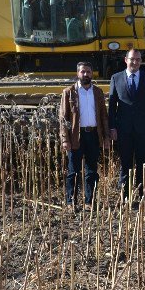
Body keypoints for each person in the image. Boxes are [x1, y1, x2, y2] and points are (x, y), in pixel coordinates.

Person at [59, 62, 110, 211]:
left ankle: (90, 202)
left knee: (91, 171)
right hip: (76, 136)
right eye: (83, 72)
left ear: (92, 73)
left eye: (88, 72)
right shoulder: (69, 92)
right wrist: (65, 139)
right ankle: (71, 202)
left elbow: (103, 117)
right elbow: (63, 118)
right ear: (77, 73)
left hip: (94, 135)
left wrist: (106, 137)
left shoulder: (98, 92)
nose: (86, 74)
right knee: (73, 172)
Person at [108, 49, 145, 201]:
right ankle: (125, 195)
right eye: (132, 59)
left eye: (138, 59)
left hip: (143, 129)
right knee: (125, 163)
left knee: (143, 162)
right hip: (124, 129)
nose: (135, 62)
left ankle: (144, 194)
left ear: (141, 61)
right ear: (125, 60)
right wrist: (112, 127)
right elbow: (112, 106)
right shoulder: (116, 78)